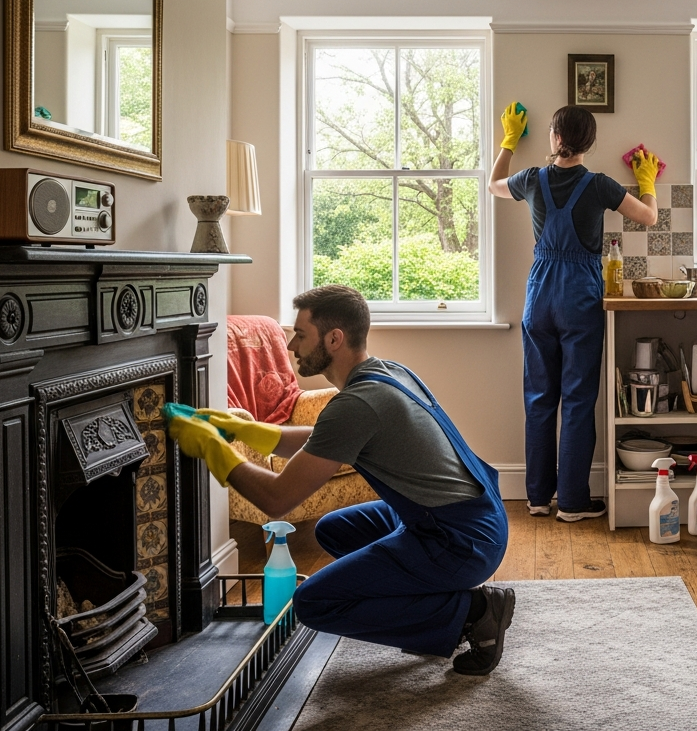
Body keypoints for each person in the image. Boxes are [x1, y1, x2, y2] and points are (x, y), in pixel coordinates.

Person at [167, 285, 513, 675]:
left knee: (314, 603)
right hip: (473, 518)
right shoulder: (386, 372)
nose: (291, 344)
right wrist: (246, 431)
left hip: (459, 541)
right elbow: (325, 439)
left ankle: (475, 612)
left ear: (334, 338)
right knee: (336, 529)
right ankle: (435, 599)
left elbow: (277, 499)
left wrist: (214, 450)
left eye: (301, 333)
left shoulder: (358, 404)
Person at [488, 103, 659, 520]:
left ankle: (537, 498)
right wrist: (645, 179)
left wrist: (509, 141)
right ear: (589, 142)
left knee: (539, 398)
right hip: (580, 295)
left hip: (540, 295)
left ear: (555, 138)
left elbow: (493, 184)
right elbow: (650, 217)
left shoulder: (531, 179)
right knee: (579, 400)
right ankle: (573, 502)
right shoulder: (599, 186)